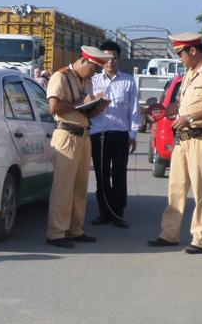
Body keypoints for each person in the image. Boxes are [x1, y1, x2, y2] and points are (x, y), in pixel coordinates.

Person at [148, 32, 202, 254]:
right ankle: (169, 234)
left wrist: (190, 118)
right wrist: (164, 112)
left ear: (192, 51)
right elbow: (181, 104)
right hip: (182, 141)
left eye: (180, 53)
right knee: (176, 189)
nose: (180, 57)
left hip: (201, 137)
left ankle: (201, 239)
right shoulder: (189, 74)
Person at [45, 46, 111, 248]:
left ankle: (75, 229)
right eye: (92, 69)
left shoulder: (87, 81)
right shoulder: (61, 76)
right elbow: (54, 107)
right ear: (84, 61)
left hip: (83, 135)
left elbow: (84, 113)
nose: (94, 73)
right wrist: (80, 102)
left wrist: (97, 107)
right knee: (63, 188)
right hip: (66, 135)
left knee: (80, 188)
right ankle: (56, 233)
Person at [90, 40, 141, 228]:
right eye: (106, 58)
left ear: (119, 59)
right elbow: (86, 108)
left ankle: (118, 213)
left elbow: (134, 110)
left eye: (114, 57)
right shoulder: (93, 82)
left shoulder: (128, 81)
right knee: (102, 176)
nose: (110, 61)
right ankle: (104, 212)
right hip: (99, 135)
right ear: (100, 59)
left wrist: (133, 134)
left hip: (120, 135)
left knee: (119, 175)